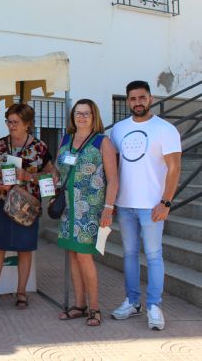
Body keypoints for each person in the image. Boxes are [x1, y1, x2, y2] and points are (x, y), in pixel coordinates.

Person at [110, 80, 181, 331]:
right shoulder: (118, 129)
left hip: (152, 205)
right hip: (125, 204)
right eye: (132, 98)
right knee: (129, 254)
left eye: (142, 97)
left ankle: (153, 305)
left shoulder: (165, 129)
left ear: (150, 99)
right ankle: (132, 302)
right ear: (128, 101)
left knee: (153, 255)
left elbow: (175, 168)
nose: (137, 102)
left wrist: (166, 202)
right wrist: (112, 202)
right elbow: (114, 167)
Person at [0, 103, 55, 310]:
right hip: (1, 203)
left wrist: (29, 176)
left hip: (27, 206)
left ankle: (21, 292)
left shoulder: (40, 147)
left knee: (25, 249)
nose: (11, 126)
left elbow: (52, 175)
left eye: (15, 122)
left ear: (27, 124)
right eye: (8, 122)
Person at [55, 100, 118, 326]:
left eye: (86, 113)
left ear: (94, 116)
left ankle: (95, 308)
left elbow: (113, 180)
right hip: (68, 208)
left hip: (90, 209)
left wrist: (108, 209)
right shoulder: (65, 139)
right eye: (78, 113)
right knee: (73, 255)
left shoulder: (103, 142)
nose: (81, 117)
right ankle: (79, 304)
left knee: (84, 256)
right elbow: (57, 171)